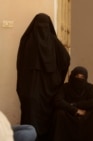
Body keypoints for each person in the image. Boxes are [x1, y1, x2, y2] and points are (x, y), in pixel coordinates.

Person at [16, 13, 70, 141]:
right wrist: (57, 78)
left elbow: (20, 66)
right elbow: (66, 60)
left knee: (31, 114)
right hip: (49, 88)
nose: (42, 28)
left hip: (31, 89)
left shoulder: (27, 40)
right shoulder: (52, 40)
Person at [52, 66, 93, 141]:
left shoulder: (90, 87)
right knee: (59, 113)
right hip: (69, 114)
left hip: (86, 114)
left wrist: (76, 105)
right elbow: (58, 100)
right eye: (77, 76)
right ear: (72, 76)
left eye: (82, 77)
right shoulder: (65, 87)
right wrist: (75, 110)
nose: (79, 79)